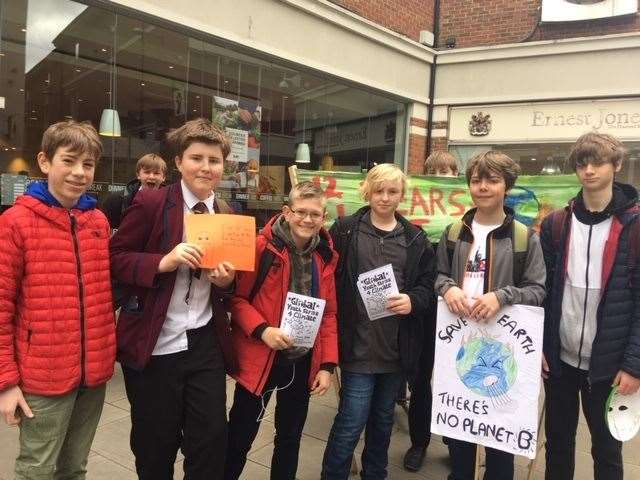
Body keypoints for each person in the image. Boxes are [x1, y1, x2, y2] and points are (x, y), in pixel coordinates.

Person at [110, 118, 236, 480]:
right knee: (155, 445)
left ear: (223, 166)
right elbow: (115, 258)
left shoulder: (227, 214)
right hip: (155, 341)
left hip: (204, 341)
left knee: (211, 441)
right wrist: (162, 261)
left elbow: (231, 286)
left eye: (214, 160)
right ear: (179, 162)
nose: (205, 167)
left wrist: (226, 282)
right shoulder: (150, 203)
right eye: (197, 158)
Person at [0, 120, 116, 479]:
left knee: (74, 467)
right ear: (45, 162)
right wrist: (6, 383)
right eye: (69, 161)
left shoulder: (97, 221)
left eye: (88, 164)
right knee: (36, 469)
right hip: (42, 377)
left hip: (93, 374)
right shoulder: (15, 222)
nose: (79, 173)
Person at [321, 163, 436, 479]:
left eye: (392, 191)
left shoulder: (415, 238)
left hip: (396, 349)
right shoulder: (345, 230)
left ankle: (376, 473)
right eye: (379, 191)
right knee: (351, 420)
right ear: (367, 191)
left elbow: (428, 286)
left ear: (402, 195)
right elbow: (324, 275)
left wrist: (413, 300)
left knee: (384, 419)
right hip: (358, 346)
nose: (385, 198)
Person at [435, 151, 545, 480]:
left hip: (503, 354)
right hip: (461, 351)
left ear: (506, 186)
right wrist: (448, 288)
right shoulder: (454, 232)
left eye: (493, 180)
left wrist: (502, 296)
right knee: (459, 447)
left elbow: (538, 290)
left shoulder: (525, 238)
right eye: (476, 180)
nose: (483, 187)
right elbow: (437, 276)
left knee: (499, 452)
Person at [540, 133, 640, 480]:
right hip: (561, 361)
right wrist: (542, 346)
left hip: (610, 366)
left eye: (597, 162)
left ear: (617, 165)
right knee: (557, 444)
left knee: (607, 451)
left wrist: (633, 364)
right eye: (582, 163)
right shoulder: (557, 223)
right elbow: (547, 290)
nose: (589, 170)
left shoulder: (635, 225)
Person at [224, 181, 338, 480]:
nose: (307, 220)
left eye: (315, 214)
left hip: (301, 362)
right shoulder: (262, 247)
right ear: (287, 212)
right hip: (261, 359)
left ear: (323, 217)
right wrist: (262, 330)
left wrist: (327, 365)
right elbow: (234, 299)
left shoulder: (325, 256)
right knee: (240, 435)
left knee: (289, 438)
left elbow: (329, 313)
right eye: (301, 212)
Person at [403, 150, 460, 472]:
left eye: (447, 171)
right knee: (421, 377)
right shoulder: (414, 210)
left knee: (456, 375)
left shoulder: (467, 214)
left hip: (458, 308)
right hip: (425, 306)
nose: (441, 176)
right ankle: (419, 441)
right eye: (434, 171)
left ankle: (457, 439)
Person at [101, 153, 167, 230]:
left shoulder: (172, 202)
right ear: (138, 175)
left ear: (164, 177)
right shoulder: (116, 200)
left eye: (156, 173)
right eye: (147, 172)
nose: (151, 176)